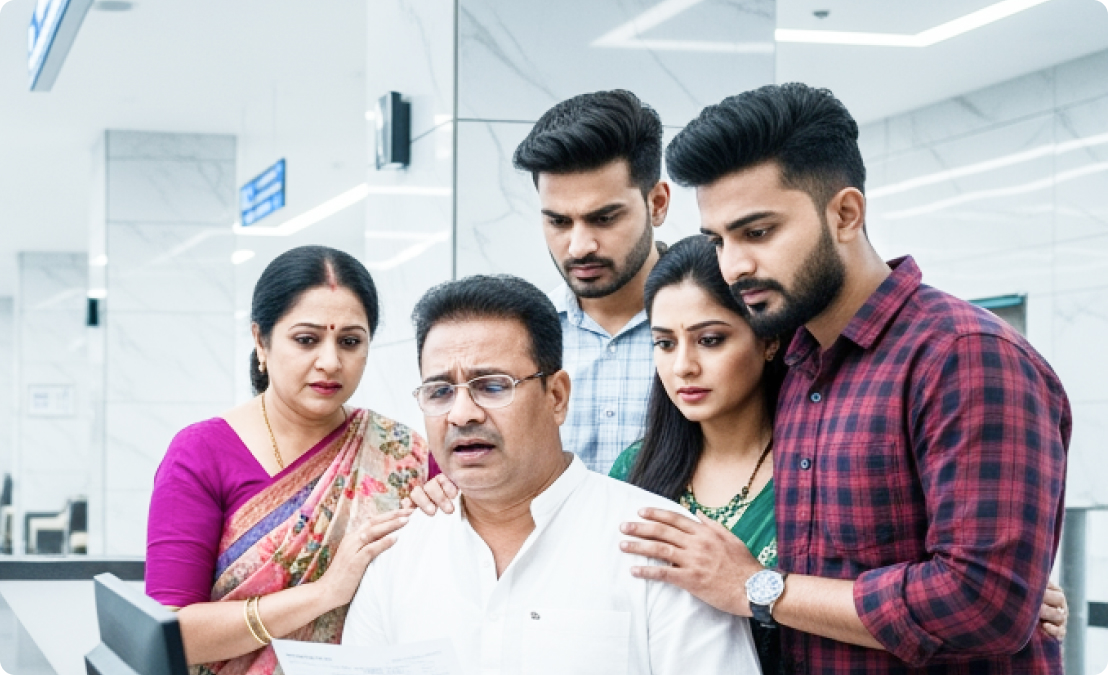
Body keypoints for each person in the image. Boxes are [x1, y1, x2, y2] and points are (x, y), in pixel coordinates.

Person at [620, 83, 1071, 674]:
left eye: (758, 232)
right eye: (719, 240)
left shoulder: (963, 355)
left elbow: (985, 603)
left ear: (845, 214)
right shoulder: (798, 363)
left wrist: (757, 587)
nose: (734, 266)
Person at [342, 275, 760, 675]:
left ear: (557, 397)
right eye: (440, 392)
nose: (462, 414)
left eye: (492, 386)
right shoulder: (397, 555)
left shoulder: (660, 546)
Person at [147, 246, 429, 673]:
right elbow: (170, 633)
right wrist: (323, 593)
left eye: (350, 342)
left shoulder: (404, 453)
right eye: (307, 340)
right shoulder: (201, 454)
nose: (330, 362)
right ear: (261, 340)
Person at [608, 234, 785, 673]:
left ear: (768, 340)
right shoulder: (633, 468)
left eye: (709, 340)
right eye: (665, 343)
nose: (683, 366)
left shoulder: (811, 469)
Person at [510, 89, 671, 474]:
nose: (580, 246)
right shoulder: (522, 337)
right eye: (559, 222)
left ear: (657, 204)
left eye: (604, 218)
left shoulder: (722, 328)